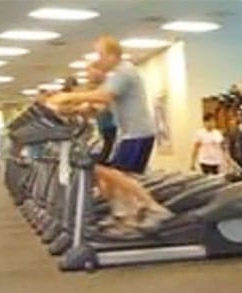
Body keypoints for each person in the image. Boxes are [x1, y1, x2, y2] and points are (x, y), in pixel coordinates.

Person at [45, 35, 170, 230]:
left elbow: (103, 96)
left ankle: (154, 208)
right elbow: (98, 108)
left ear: (112, 55)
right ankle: (125, 215)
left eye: (100, 55)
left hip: (137, 132)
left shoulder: (124, 72)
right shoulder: (117, 75)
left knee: (112, 173)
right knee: (115, 176)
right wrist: (70, 110)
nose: (98, 60)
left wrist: (69, 96)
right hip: (130, 133)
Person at [87, 62, 117, 164]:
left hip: (112, 127)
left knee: (107, 160)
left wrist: (93, 106)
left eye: (90, 72)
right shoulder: (100, 88)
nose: (88, 75)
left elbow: (107, 106)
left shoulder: (108, 87)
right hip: (104, 129)